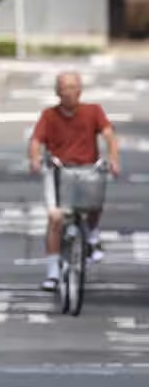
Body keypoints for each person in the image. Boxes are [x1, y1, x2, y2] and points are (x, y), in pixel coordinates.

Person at [27, 70, 120, 292]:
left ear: (80, 90)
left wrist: (113, 158)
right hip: (59, 170)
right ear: (56, 92)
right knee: (55, 218)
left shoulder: (93, 111)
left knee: (94, 204)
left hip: (88, 168)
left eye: (71, 87)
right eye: (63, 88)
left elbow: (108, 134)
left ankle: (93, 235)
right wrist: (35, 158)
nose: (67, 92)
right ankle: (52, 273)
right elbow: (36, 140)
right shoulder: (49, 115)